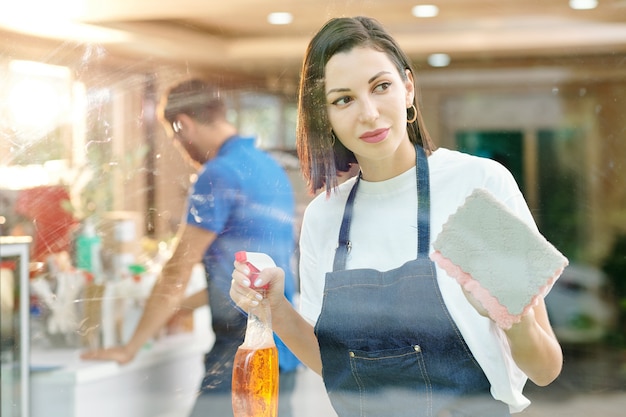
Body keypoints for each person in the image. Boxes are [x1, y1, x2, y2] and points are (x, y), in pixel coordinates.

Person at [230, 16, 563, 417]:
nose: (368, 113)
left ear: (408, 87)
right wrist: (276, 308)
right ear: (326, 116)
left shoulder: (477, 185)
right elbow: (333, 365)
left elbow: (546, 369)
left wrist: (512, 318)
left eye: (380, 87)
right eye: (343, 99)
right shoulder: (325, 216)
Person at [81, 78, 300, 417]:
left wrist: (130, 348)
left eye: (174, 138)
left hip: (241, 349)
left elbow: (176, 270)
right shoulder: (268, 167)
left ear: (183, 124)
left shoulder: (216, 174)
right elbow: (251, 273)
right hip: (283, 348)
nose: (180, 150)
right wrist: (181, 307)